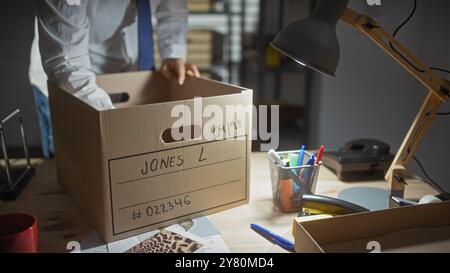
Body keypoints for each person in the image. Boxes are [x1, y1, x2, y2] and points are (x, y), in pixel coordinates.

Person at [29, 0, 199, 157]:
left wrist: (173, 53)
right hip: (73, 83)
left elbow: (173, 9)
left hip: (132, 77)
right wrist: (117, 127)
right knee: (74, 171)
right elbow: (67, 63)